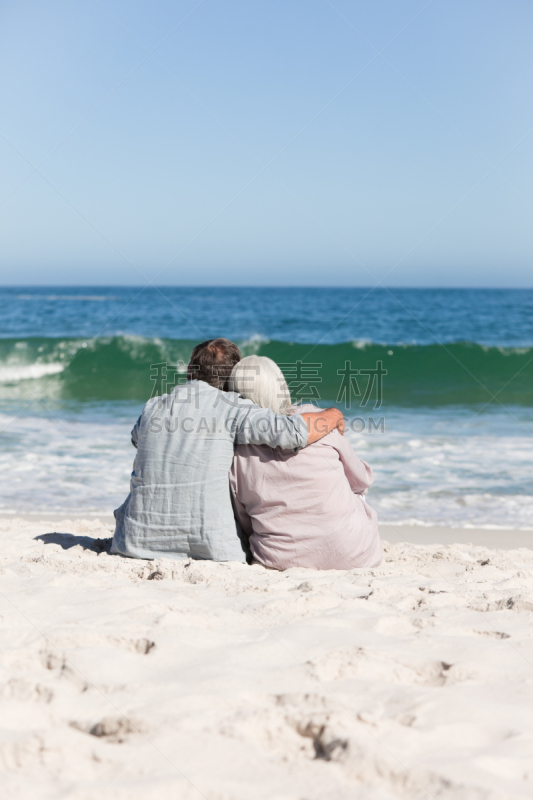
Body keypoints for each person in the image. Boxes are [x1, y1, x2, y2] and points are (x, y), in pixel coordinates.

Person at [111, 339, 345, 562]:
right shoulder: (232, 407)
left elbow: (137, 440)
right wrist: (334, 414)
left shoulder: (153, 405)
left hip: (133, 543)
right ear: (230, 377)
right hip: (211, 547)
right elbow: (293, 432)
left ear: (190, 368)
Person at [229, 355, 382, 570]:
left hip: (280, 561)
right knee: (356, 492)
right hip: (355, 557)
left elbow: (244, 520)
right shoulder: (319, 422)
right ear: (280, 386)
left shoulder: (236, 452)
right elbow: (362, 480)